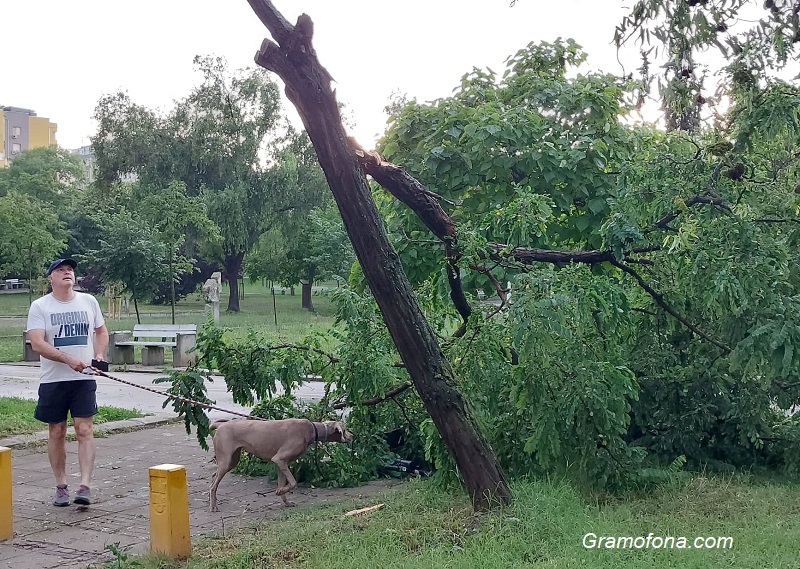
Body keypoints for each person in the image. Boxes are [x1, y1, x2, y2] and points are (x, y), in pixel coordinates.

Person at [25, 258, 109, 507]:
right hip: (54, 380)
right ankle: (61, 486)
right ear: (50, 278)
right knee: (57, 431)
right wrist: (67, 359)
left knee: (84, 429)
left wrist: (99, 355)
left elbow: (101, 331)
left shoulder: (88, 301)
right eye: (60, 270)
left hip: (83, 379)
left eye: (70, 270)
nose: (67, 273)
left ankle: (85, 486)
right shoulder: (40, 306)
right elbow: (37, 343)